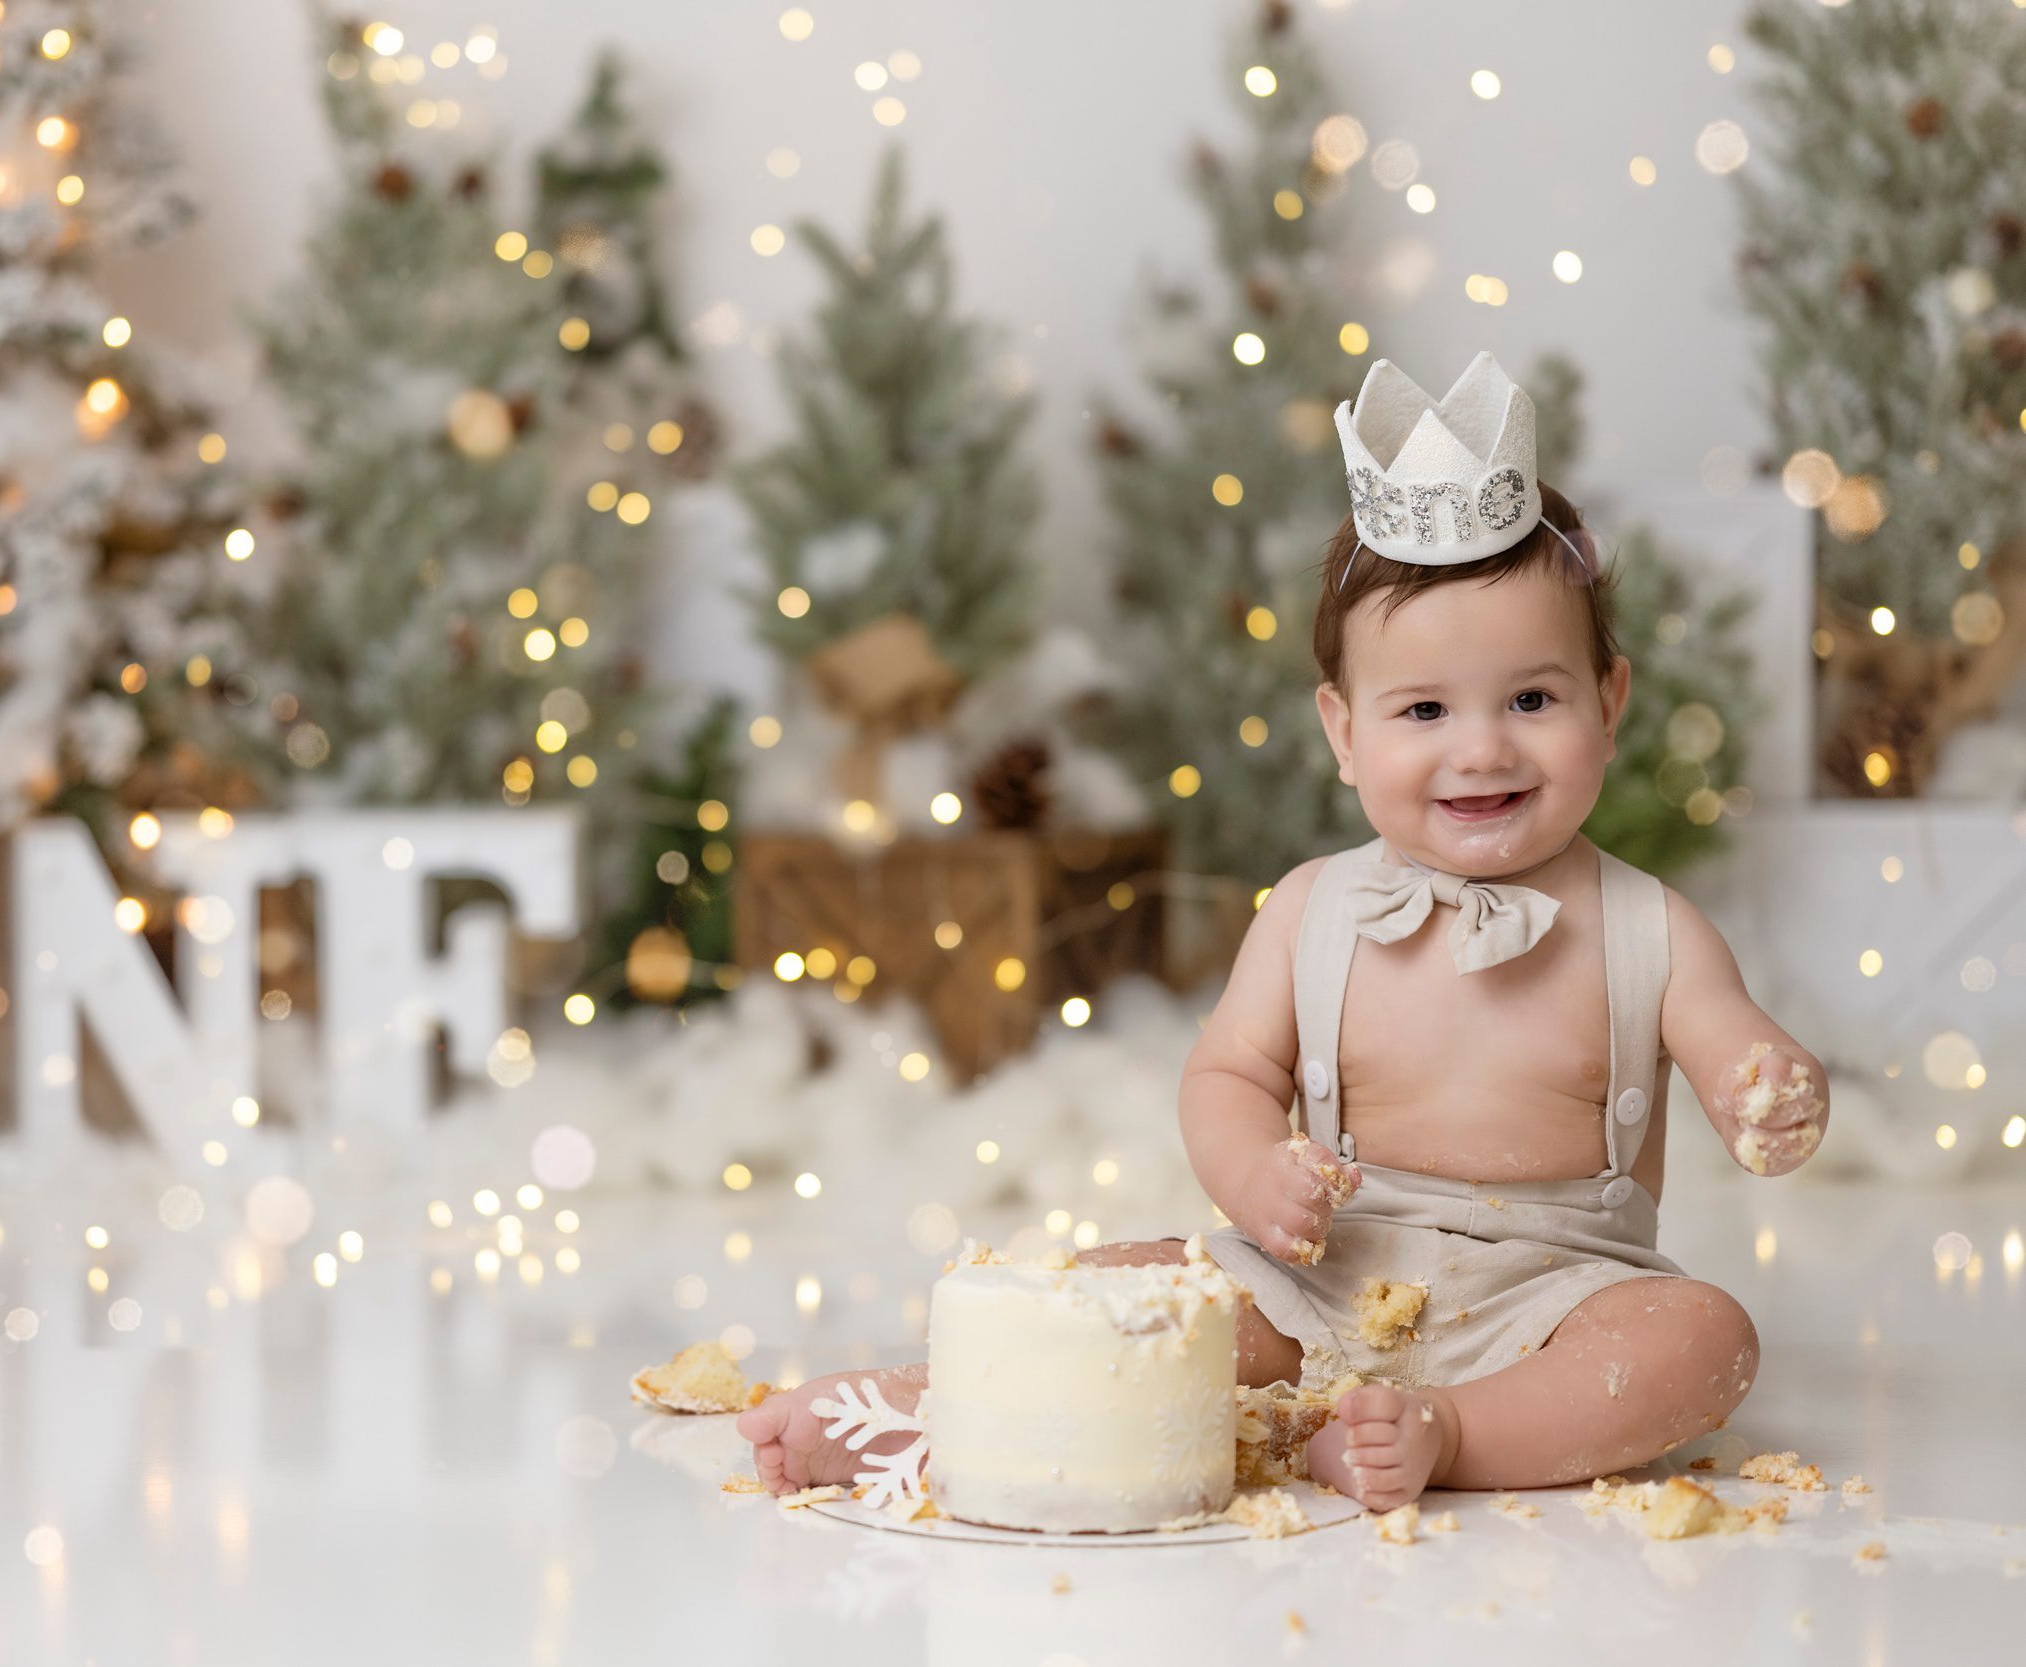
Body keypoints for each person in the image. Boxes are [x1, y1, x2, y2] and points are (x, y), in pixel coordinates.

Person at [738, 352, 1827, 1515]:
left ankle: (1449, 1431)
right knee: (1116, 1285)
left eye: (1531, 698)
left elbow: (1734, 1049)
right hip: (1317, 1275)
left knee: (1701, 1336)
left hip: (1557, 1296)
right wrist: (1255, 1173)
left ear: (1608, 704)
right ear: (1343, 730)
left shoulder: (1651, 927)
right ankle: (903, 1407)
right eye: (1422, 710)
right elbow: (1227, 1073)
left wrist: (1769, 1089)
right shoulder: (1310, 908)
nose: (1482, 748)